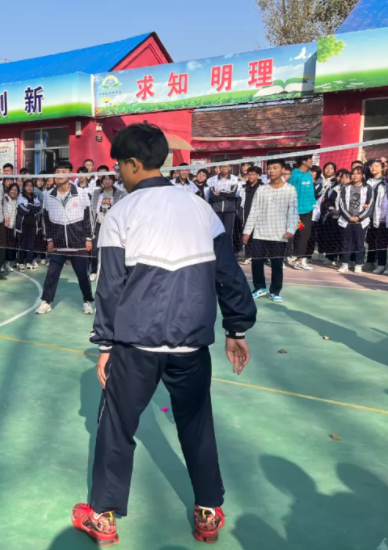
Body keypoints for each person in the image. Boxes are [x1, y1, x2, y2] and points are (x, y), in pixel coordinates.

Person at [73, 123, 255, 546]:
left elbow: (110, 288)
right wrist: (236, 327)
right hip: (191, 342)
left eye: (120, 165)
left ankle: (103, 517)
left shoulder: (121, 213)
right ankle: (208, 510)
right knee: (196, 423)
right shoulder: (200, 208)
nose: (118, 173)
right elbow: (229, 274)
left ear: (135, 164)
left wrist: (105, 345)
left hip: (135, 344)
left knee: (117, 425)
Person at [36, 162, 95, 315]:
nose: (60, 175)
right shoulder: (48, 195)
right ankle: (46, 302)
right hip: (58, 243)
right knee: (51, 274)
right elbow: (45, 219)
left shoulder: (81, 193)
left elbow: (88, 217)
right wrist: (49, 239)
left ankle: (87, 301)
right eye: (58, 171)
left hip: (78, 243)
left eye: (64, 171)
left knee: (82, 275)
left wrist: (89, 238)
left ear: (70, 174)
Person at [243, 162, 298, 302]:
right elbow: (254, 210)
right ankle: (259, 288)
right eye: (269, 168)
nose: (271, 171)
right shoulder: (261, 189)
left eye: (275, 168)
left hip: (279, 234)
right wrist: (247, 231)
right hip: (260, 232)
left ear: (282, 170)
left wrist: (291, 229)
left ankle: (275, 291)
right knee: (256, 262)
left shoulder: (290, 189)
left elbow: (293, 211)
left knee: (277, 264)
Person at [336, 166, 374, 273]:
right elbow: (341, 204)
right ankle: (344, 264)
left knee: (360, 243)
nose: (355, 176)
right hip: (346, 220)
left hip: (361, 222)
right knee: (346, 243)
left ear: (362, 175)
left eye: (358, 173)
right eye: (353, 173)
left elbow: (370, 205)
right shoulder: (345, 188)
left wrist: (359, 217)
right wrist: (349, 217)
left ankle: (358, 264)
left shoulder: (368, 188)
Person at [90, 174, 127, 280]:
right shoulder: (96, 193)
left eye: (109, 179)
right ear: (102, 181)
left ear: (113, 181)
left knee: (112, 248)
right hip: (98, 223)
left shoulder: (120, 194)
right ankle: (94, 271)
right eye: (105, 179)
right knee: (95, 248)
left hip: (112, 225)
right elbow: (92, 209)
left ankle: (111, 271)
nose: (107, 181)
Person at [288, 155, 315, 270]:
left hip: (308, 210)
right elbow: (291, 193)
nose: (312, 161)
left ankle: (300, 260)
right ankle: (283, 257)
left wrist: (313, 205)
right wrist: (295, 211)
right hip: (296, 211)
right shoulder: (295, 175)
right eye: (310, 159)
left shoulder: (309, 174)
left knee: (305, 235)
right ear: (303, 161)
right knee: (290, 235)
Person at [206, 165, 241, 247]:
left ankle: (228, 251)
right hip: (216, 210)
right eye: (222, 167)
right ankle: (216, 251)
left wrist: (220, 192)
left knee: (228, 233)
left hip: (229, 210)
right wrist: (226, 194)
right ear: (219, 168)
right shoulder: (212, 180)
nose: (224, 169)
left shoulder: (234, 179)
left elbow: (232, 194)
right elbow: (213, 195)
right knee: (216, 232)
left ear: (229, 168)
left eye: (226, 167)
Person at [240, 166, 264, 264]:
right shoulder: (244, 187)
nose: (250, 177)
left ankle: (259, 256)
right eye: (249, 174)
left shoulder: (263, 187)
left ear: (258, 175)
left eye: (253, 174)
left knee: (257, 235)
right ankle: (248, 255)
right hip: (246, 212)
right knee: (247, 234)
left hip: (259, 214)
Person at [16, 179, 42, 270]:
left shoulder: (35, 197)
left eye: (31, 186)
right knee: (22, 244)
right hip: (23, 224)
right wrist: (31, 207)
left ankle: (29, 262)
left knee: (31, 245)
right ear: (24, 187)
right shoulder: (20, 196)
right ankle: (20, 262)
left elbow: (38, 208)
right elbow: (21, 209)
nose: (29, 187)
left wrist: (29, 206)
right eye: (27, 185)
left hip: (33, 224)